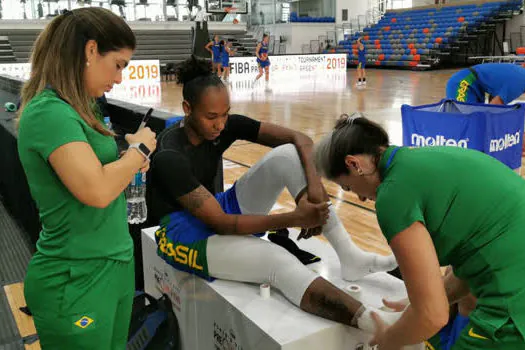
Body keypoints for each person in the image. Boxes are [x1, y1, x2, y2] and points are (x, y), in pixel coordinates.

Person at [147, 56, 399, 330]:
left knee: (286, 155)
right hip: (180, 234)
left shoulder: (223, 125)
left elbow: (300, 140)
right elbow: (221, 223)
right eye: (211, 117)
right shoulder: (169, 154)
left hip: (215, 206)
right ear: (187, 109)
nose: (220, 124)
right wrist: (294, 218)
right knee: (276, 260)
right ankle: (376, 324)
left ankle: (349, 256)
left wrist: (313, 190)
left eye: (225, 114)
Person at [314, 113, 525, 350]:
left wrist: (388, 340)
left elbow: (432, 316)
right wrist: (420, 303)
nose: (360, 197)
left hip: (514, 303)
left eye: (348, 187)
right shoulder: (418, 158)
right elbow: (474, 257)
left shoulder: (393, 194)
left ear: (354, 164)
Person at [17, 8, 157, 349]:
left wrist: (123, 163)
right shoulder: (49, 112)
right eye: (119, 64)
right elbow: (96, 190)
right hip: (75, 276)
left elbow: (95, 174)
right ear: (91, 51)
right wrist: (138, 152)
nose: (120, 77)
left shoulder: (83, 109)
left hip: (114, 264)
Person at [446, 63, 525, 105]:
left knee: (476, 122)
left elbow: (493, 100)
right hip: (464, 83)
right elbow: (494, 107)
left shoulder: (519, 74)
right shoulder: (521, 82)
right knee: (468, 122)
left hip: (477, 88)